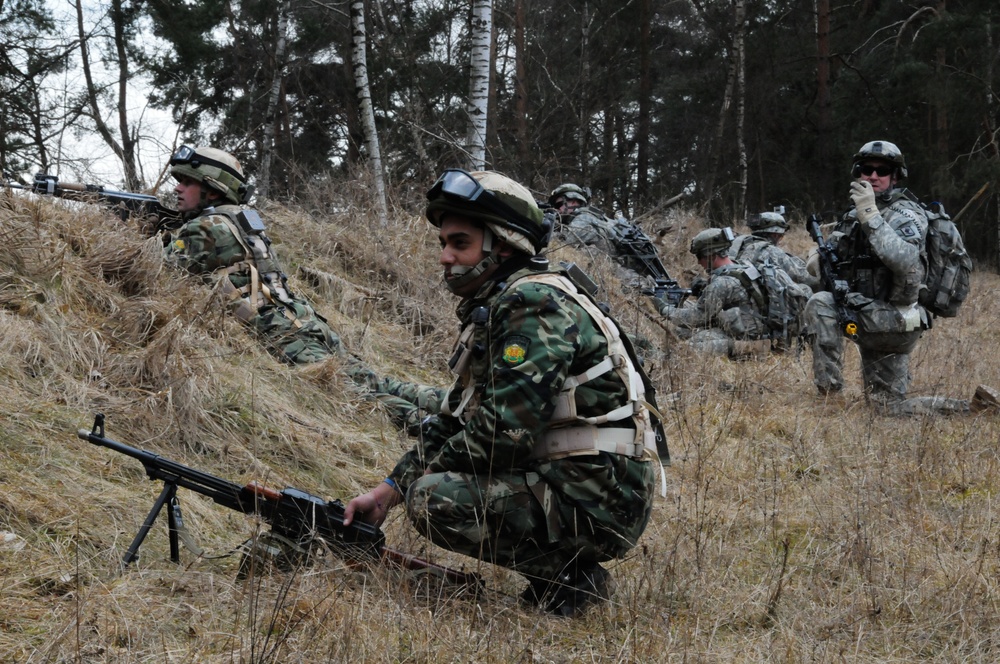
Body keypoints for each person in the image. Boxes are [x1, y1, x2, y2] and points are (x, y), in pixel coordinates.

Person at [344, 169, 664, 617]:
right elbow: (459, 418)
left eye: (460, 243)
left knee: (434, 499)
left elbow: (503, 435)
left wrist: (415, 484)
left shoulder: (531, 302)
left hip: (602, 497)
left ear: (504, 245)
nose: (445, 257)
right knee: (421, 488)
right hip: (589, 484)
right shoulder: (506, 300)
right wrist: (385, 492)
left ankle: (571, 579)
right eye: (444, 244)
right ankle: (563, 573)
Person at [802, 140, 997, 415]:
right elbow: (834, 259)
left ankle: (829, 400)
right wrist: (816, 258)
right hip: (871, 314)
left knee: (821, 304)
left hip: (897, 318)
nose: (872, 176)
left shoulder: (906, 214)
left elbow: (905, 263)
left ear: (895, 176)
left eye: (882, 171)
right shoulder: (854, 214)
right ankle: (975, 409)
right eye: (866, 169)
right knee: (888, 410)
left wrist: (870, 215)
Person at [163, 145, 349, 365]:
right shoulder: (241, 219)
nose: (177, 189)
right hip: (303, 317)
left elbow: (157, 270)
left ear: (213, 190)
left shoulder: (203, 227)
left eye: (187, 183)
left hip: (279, 332)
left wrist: (146, 234)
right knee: (373, 384)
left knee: (359, 394)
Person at [661, 227, 774, 357]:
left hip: (745, 339)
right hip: (750, 330)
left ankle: (755, 350)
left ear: (712, 255)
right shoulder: (744, 266)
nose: (698, 262)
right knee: (682, 332)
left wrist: (665, 309)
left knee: (684, 352)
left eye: (700, 256)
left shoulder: (722, 283)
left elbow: (697, 318)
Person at [730, 211, 819, 290]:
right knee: (805, 289)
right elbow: (806, 278)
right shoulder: (772, 252)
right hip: (758, 303)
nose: (780, 239)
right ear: (775, 235)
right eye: (781, 236)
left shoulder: (739, 244)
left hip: (738, 295)